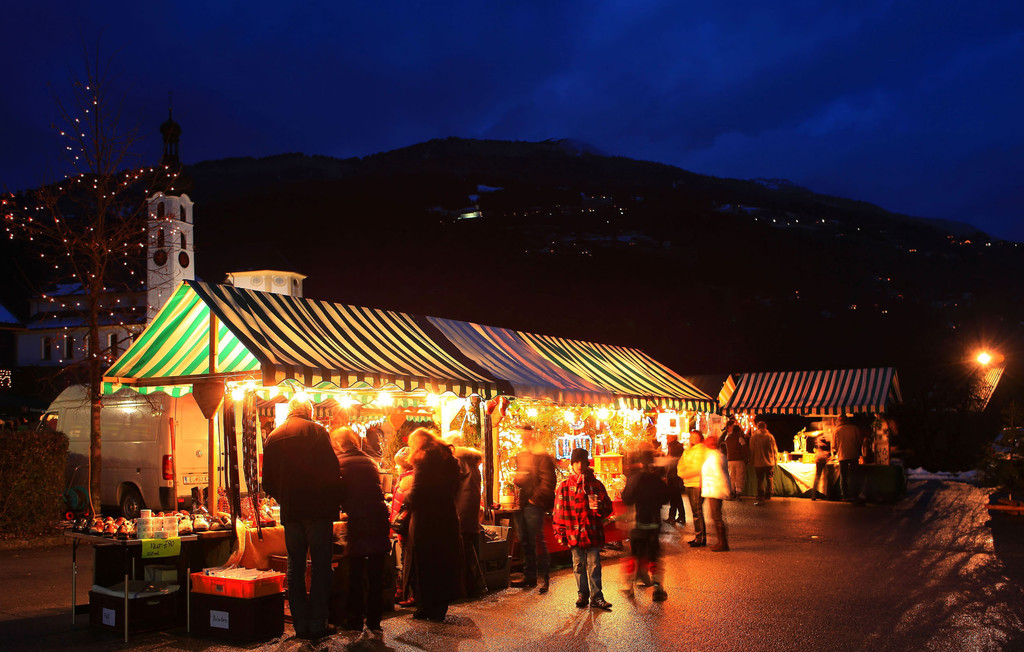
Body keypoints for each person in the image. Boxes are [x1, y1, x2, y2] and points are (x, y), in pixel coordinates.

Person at [262, 395, 342, 641]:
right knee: (320, 566)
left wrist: (284, 497)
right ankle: (317, 621)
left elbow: (267, 481)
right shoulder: (317, 432)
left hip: (292, 511)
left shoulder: (273, 437)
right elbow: (332, 469)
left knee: (294, 566)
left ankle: (300, 624)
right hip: (318, 510)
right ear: (309, 412)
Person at [332, 427, 390, 634]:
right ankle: (374, 620)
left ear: (338, 444)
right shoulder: (369, 461)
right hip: (378, 517)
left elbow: (338, 493)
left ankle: (354, 619)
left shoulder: (339, 462)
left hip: (359, 520)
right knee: (375, 573)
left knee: (355, 572)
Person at [403, 428, 461, 622]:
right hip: (446, 518)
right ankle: (439, 608)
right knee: (442, 564)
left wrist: (405, 493)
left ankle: (425, 607)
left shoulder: (422, 460)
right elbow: (455, 489)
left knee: (424, 564)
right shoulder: (449, 460)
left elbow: (417, 493)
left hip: (425, 522)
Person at [553, 448, 613, 611]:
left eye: (582, 462)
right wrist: (561, 532)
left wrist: (600, 507)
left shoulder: (596, 484)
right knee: (578, 565)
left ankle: (597, 597)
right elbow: (558, 511)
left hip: (592, 530)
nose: (579, 465)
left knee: (594, 565)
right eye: (576, 462)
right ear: (572, 464)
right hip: (574, 532)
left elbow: (608, 507)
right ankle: (583, 595)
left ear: (587, 463)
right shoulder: (564, 486)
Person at [620, 445, 671, 600]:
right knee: (654, 556)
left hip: (638, 524)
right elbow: (665, 499)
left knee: (634, 554)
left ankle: (629, 587)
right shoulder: (658, 480)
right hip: (654, 524)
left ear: (640, 463)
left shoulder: (634, 479)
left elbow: (626, 498)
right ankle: (657, 589)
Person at [511, 425, 557, 593]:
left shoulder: (541, 456)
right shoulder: (523, 454)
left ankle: (544, 578)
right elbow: (523, 477)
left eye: (525, 434)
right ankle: (529, 576)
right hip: (524, 501)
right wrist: (518, 479)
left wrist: (535, 499)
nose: (523, 437)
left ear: (531, 435)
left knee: (537, 539)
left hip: (533, 502)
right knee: (526, 540)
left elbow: (548, 481)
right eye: (521, 434)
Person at [444, 432, 486, 597]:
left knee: (465, 550)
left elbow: (452, 487)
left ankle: (472, 587)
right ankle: (475, 587)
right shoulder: (472, 461)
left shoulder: (458, 461)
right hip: (470, 510)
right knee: (469, 549)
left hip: (460, 510)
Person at [390, 447, 416, 607]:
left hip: (405, 529)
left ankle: (409, 593)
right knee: (405, 561)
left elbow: (401, 509)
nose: (395, 467)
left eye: (398, 464)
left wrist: (397, 530)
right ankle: (404, 591)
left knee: (407, 562)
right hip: (405, 528)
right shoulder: (409, 479)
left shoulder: (406, 481)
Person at [677, 430, 709, 547]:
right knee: (695, 511)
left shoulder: (701, 450)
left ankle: (701, 537)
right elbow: (681, 463)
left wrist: (684, 473)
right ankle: (699, 536)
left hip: (696, 483)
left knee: (697, 511)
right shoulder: (688, 450)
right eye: (691, 436)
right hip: (688, 483)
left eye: (695, 436)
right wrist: (682, 473)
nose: (692, 438)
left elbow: (697, 467)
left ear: (700, 438)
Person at [701, 434, 731, 551]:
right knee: (716, 516)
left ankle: (723, 543)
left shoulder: (715, 457)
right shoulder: (714, 455)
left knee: (717, 517)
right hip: (714, 489)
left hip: (715, 489)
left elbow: (719, 475)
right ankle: (721, 542)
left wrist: (723, 489)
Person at [834, 416, 864, 503]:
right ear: (847, 420)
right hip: (854, 455)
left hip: (842, 456)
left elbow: (834, 445)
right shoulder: (854, 428)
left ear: (840, 421)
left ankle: (845, 495)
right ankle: (855, 494)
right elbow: (860, 441)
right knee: (854, 475)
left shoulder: (836, 430)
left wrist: (837, 450)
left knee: (843, 476)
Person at [749, 421, 779, 506]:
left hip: (758, 462)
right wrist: (775, 459)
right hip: (769, 462)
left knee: (760, 479)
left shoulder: (754, 437)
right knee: (769, 478)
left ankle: (760, 495)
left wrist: (751, 460)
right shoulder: (770, 436)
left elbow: (751, 449)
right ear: (765, 427)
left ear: (758, 427)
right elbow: (774, 449)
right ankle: (769, 494)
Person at [723, 421, 750, 500]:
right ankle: (738, 493)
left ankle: (731, 492)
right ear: (739, 431)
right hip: (739, 460)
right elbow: (745, 449)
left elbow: (725, 448)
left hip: (730, 460)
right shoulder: (740, 438)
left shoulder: (727, 438)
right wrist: (747, 458)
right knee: (739, 476)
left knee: (732, 477)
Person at [664, 435, 686, 524]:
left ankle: (673, 517)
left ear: (672, 438)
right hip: (677, 474)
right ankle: (680, 516)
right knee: (676, 497)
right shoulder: (679, 446)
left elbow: (670, 459)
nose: (666, 439)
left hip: (673, 475)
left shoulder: (672, 446)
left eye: (668, 437)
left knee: (674, 496)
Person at [812, 429, 833, 500]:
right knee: (828, 477)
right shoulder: (828, 438)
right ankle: (829, 495)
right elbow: (831, 448)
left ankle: (813, 495)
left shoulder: (817, 438)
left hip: (819, 457)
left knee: (817, 476)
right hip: (825, 458)